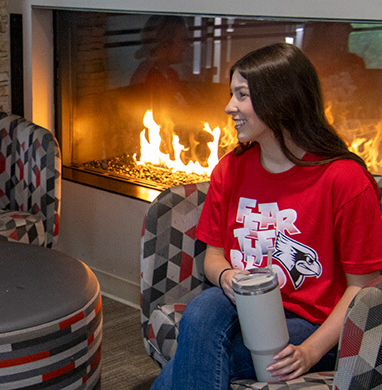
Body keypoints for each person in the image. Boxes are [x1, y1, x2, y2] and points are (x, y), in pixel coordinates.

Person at [151, 43, 382, 389]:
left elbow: (363, 289)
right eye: (232, 94)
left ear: (280, 100)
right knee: (200, 312)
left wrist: (308, 352)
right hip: (243, 302)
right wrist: (227, 276)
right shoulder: (231, 169)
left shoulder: (344, 180)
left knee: (199, 361)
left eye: (242, 95)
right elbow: (213, 257)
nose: (230, 107)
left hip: (310, 321)